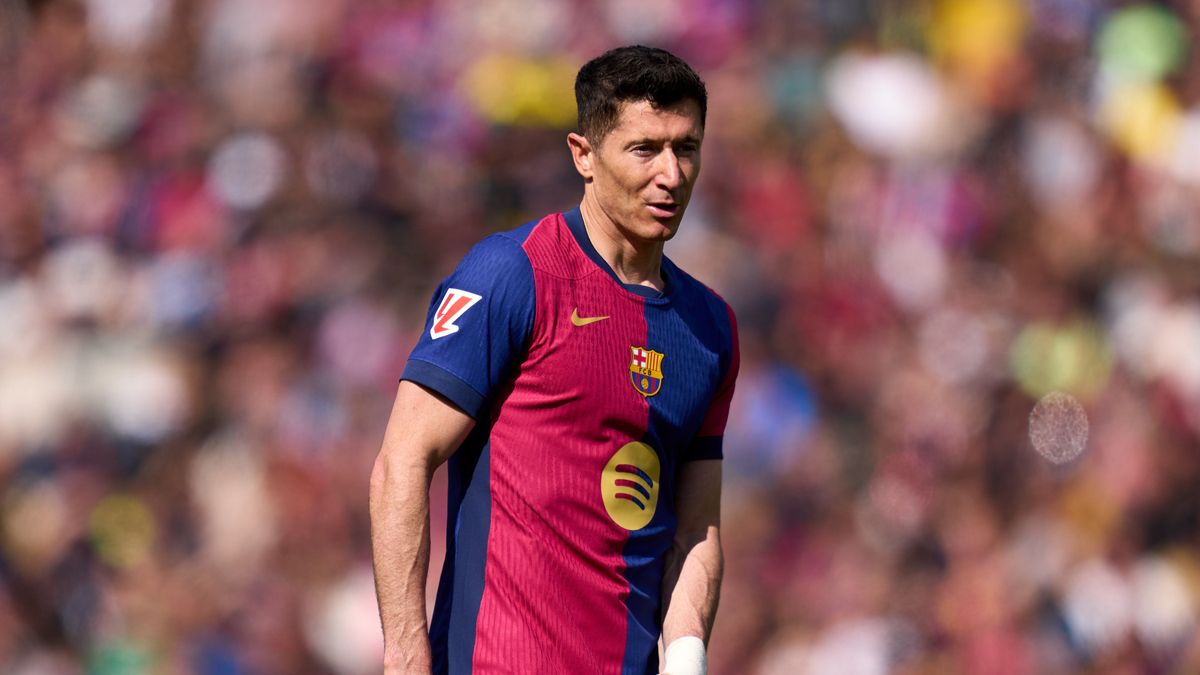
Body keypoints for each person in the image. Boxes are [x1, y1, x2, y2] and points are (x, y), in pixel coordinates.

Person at [370, 45, 739, 675]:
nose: (672, 175)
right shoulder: (513, 274)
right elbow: (403, 463)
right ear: (584, 156)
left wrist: (686, 661)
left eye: (687, 148)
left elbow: (694, 529)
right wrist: (407, 656)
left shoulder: (709, 328)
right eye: (645, 149)